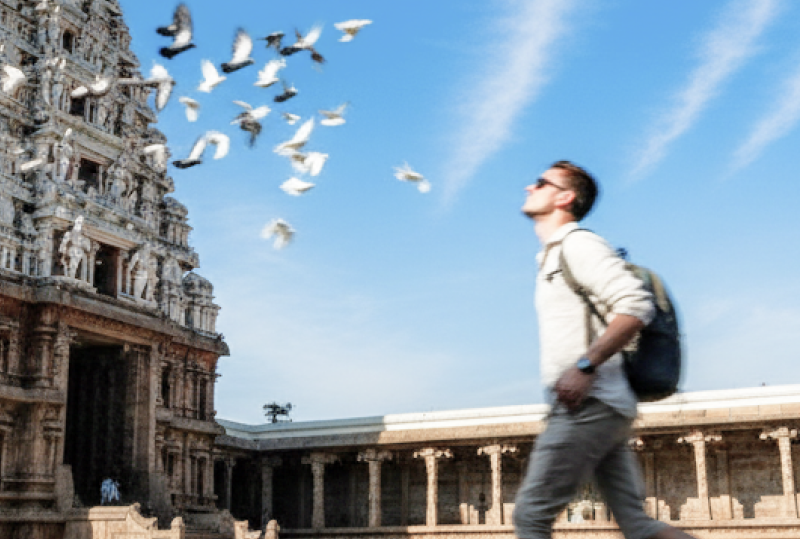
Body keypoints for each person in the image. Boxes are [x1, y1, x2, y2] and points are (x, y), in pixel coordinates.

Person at [513, 161, 694, 539]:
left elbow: (635, 304)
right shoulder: (553, 255)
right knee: (637, 524)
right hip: (605, 405)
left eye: (542, 183)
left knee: (530, 517)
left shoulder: (578, 244)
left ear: (566, 197)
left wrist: (585, 366)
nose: (530, 187)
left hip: (588, 405)